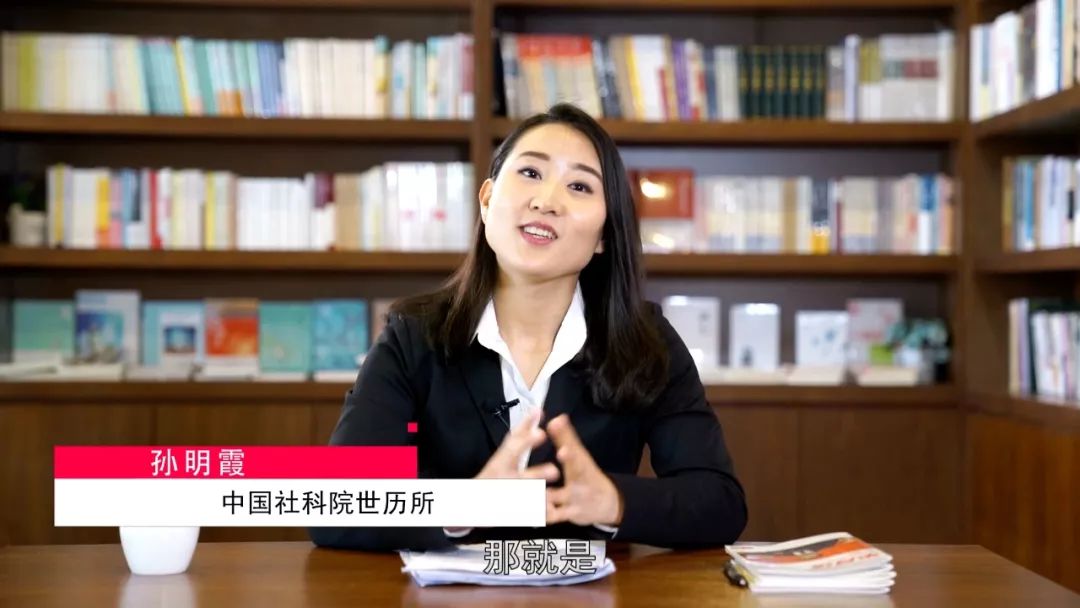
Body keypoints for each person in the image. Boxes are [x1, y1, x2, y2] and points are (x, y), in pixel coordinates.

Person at [309, 103, 747, 552]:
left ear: (603, 235)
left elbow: (720, 503)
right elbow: (331, 504)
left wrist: (614, 502)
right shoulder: (413, 335)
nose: (547, 201)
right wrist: (463, 505)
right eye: (531, 173)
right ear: (486, 200)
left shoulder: (645, 340)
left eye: (579, 186)